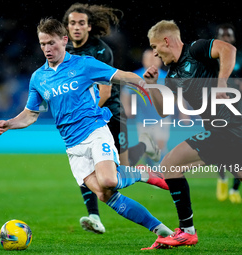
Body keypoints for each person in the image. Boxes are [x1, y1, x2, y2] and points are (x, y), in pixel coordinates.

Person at [0, 18, 172, 249]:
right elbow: (30, 114)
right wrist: (9, 123)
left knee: (109, 180)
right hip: (72, 146)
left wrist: (145, 82)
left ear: (64, 40)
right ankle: (162, 231)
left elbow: (122, 76)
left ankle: (140, 173)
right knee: (104, 194)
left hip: (95, 132)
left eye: (51, 43)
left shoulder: (84, 64)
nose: (47, 49)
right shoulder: (39, 78)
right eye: (42, 44)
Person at [141, 20, 242, 249]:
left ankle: (187, 231)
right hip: (221, 132)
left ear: (166, 41)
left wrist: (221, 84)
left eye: (154, 46)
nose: (154, 53)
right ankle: (186, 231)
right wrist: (152, 85)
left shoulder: (196, 49)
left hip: (229, 127)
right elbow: (164, 111)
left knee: (171, 164)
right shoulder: (172, 75)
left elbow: (228, 49)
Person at [62, 3, 160, 234]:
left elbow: (105, 92)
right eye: (72, 23)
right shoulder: (65, 52)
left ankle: (143, 148)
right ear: (66, 27)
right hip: (87, 120)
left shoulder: (101, 51)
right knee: (84, 165)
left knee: (120, 170)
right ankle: (94, 216)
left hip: (110, 114)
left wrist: (80, 116)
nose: (77, 27)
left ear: (89, 27)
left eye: (81, 23)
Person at [215, 23, 242, 204]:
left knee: (241, 148)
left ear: (233, 38)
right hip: (217, 110)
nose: (226, 39)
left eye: (228, 36)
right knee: (218, 148)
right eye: (222, 36)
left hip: (240, 109)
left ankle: (234, 189)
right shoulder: (211, 59)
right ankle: (223, 178)